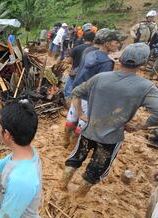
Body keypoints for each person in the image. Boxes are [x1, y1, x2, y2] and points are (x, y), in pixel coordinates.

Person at [60, 43, 158, 197]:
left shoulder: (100, 78)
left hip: (89, 130)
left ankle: (62, 187)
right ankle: (78, 197)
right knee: (95, 170)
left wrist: (80, 114)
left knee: (75, 158)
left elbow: (76, 92)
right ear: (143, 62)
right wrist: (140, 126)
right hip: (111, 139)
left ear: (121, 59)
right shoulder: (146, 87)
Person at [63, 29, 125, 147]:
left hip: (77, 90)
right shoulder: (107, 62)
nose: (118, 45)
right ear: (107, 43)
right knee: (83, 121)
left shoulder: (89, 53)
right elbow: (101, 84)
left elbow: (79, 69)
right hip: (89, 95)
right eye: (116, 42)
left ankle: (65, 140)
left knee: (72, 116)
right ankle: (73, 146)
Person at [63, 31, 96, 108]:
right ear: (93, 39)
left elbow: (68, 61)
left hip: (75, 74)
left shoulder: (77, 48)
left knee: (68, 92)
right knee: (83, 94)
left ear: (83, 38)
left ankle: (70, 110)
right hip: (89, 76)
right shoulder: (95, 50)